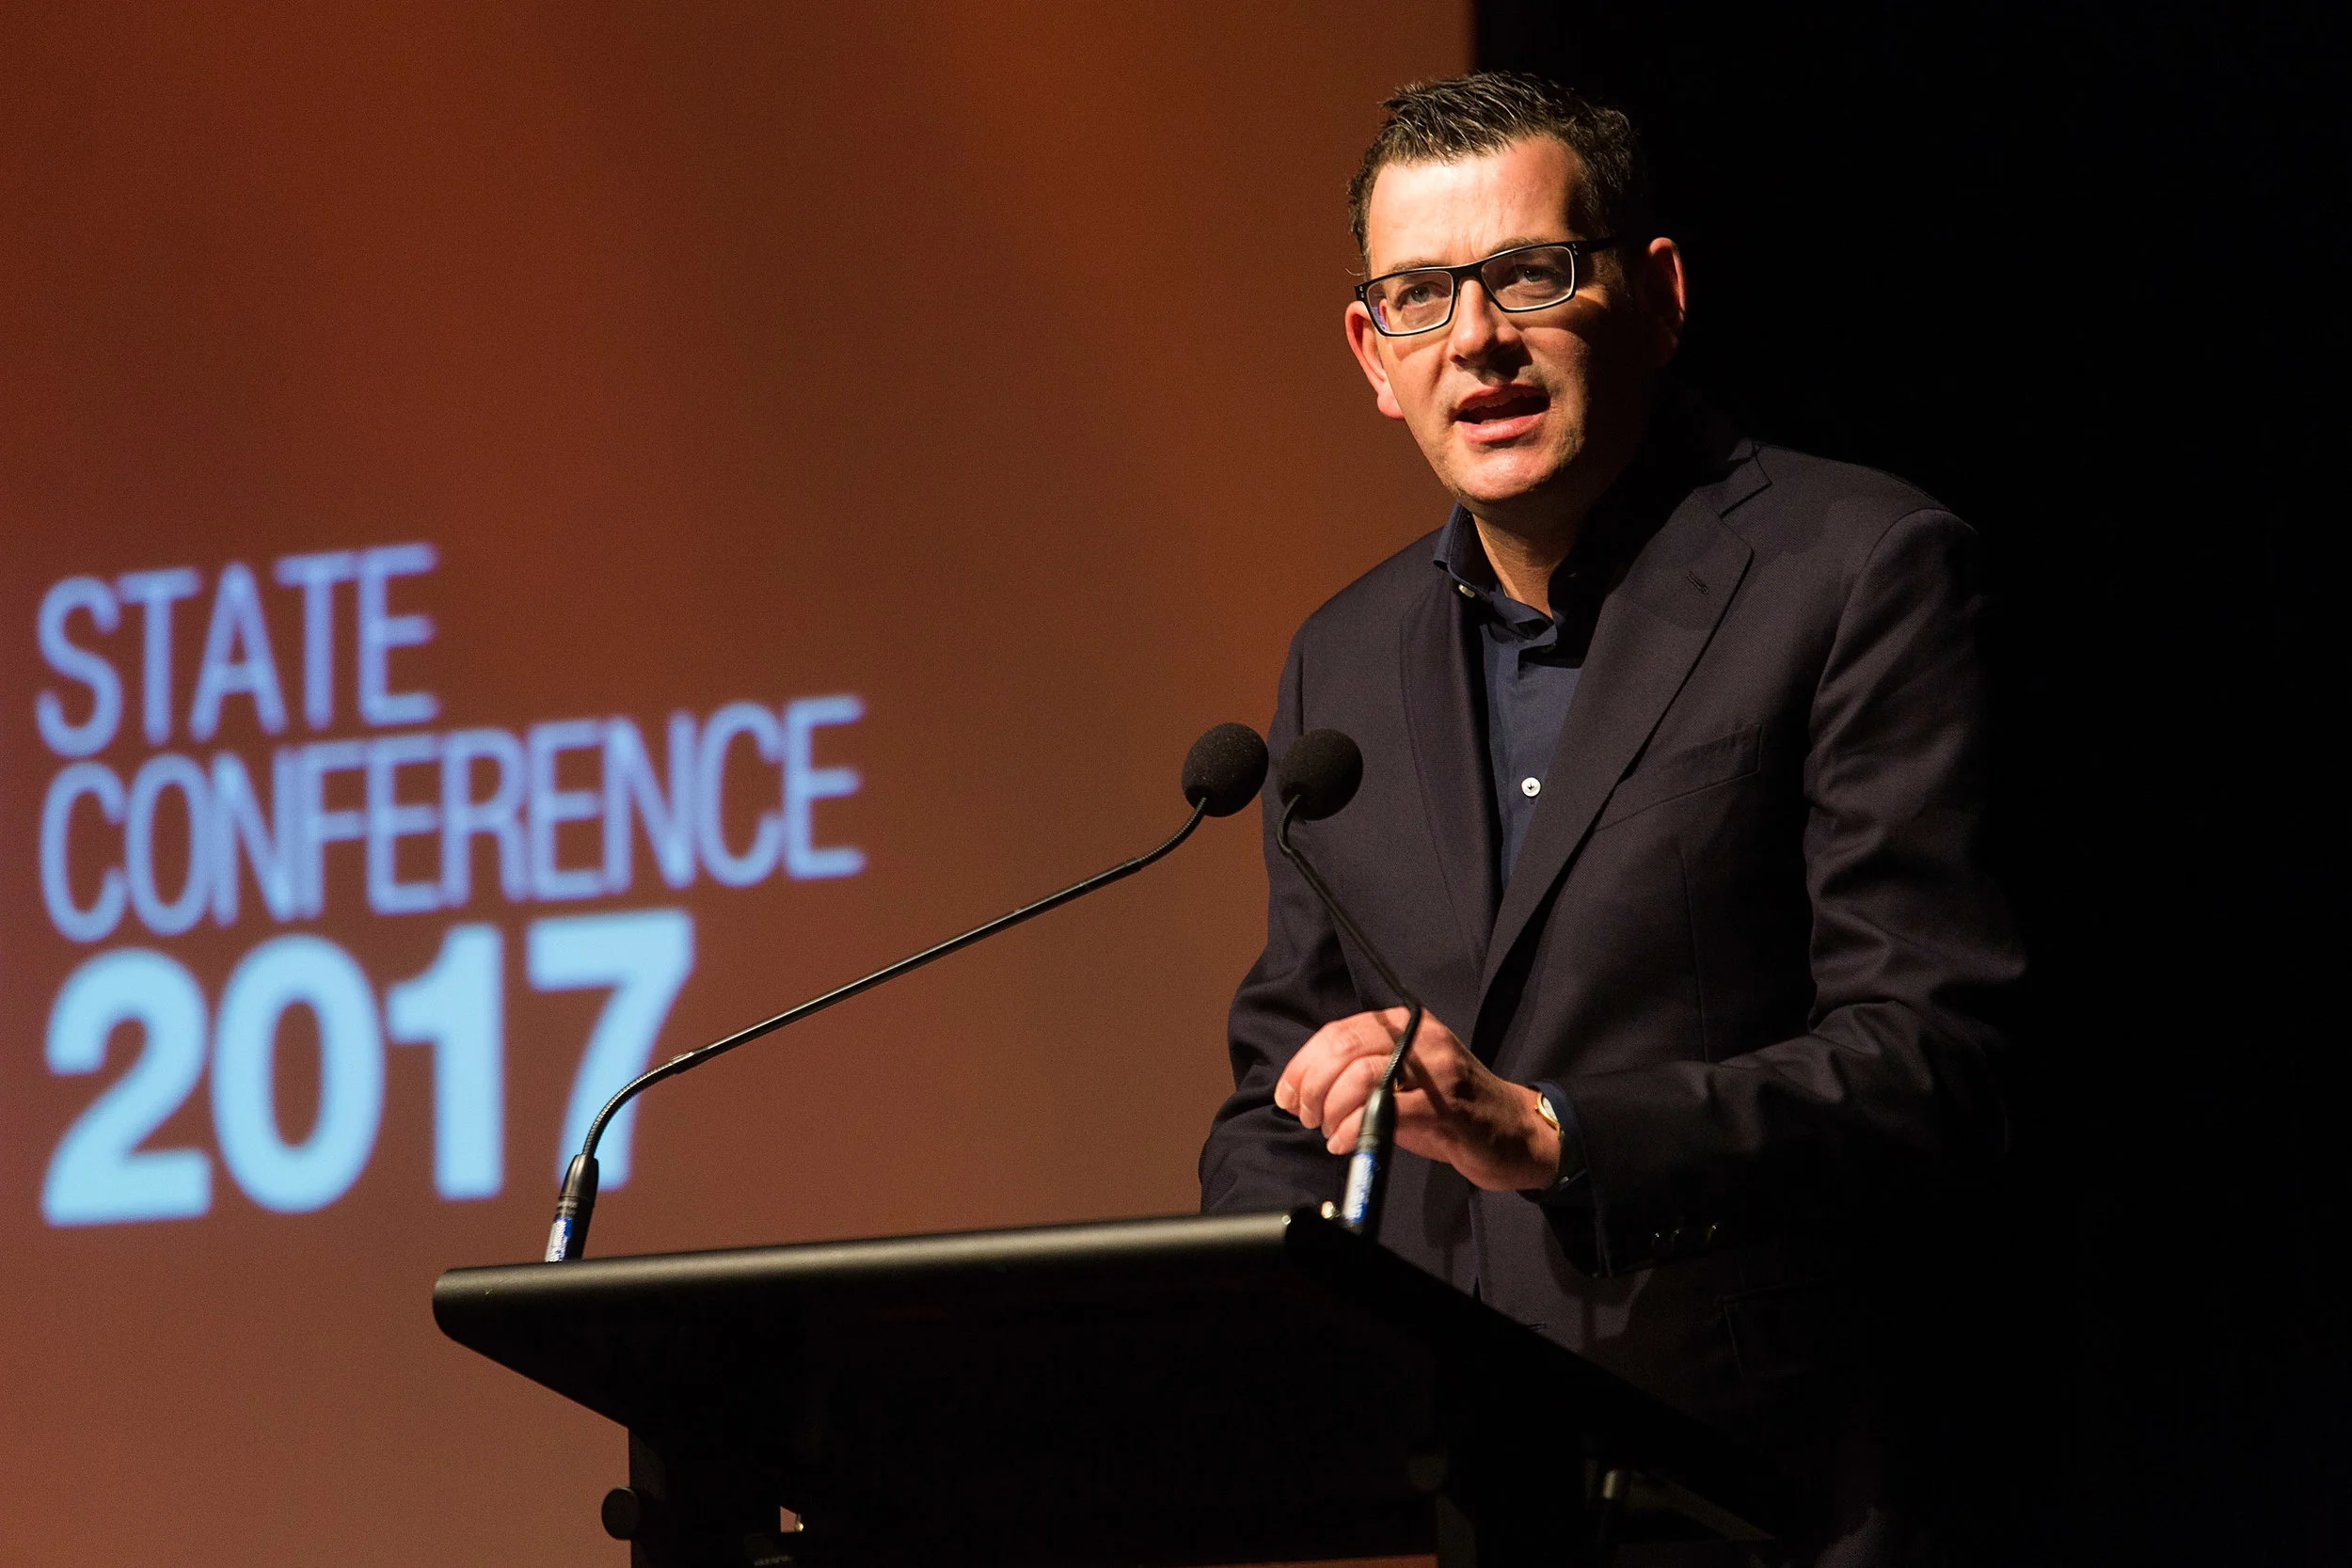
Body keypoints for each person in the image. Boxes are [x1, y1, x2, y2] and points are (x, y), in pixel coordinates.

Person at [1199, 72, 2024, 1566]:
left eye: (1532, 274)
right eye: (1421, 297)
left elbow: (1931, 1055)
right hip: (1456, 1505)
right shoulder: (1344, 654)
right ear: (1371, 354)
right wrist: (1250, 1328)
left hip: (1770, 1494)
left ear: (1656, 294)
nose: (1480, 341)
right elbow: (1288, 1083)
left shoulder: (1858, 573)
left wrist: (1557, 1132)